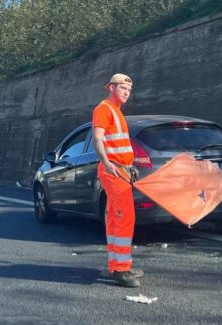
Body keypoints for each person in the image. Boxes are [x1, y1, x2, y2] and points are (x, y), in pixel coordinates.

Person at [91, 72, 144, 288]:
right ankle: (121, 270)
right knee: (124, 218)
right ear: (111, 87)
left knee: (115, 218)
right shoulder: (104, 109)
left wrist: (129, 166)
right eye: (123, 88)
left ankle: (117, 265)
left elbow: (118, 145)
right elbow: (97, 139)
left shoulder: (117, 112)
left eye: (129, 90)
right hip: (112, 172)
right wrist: (107, 162)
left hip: (121, 171)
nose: (127, 93)